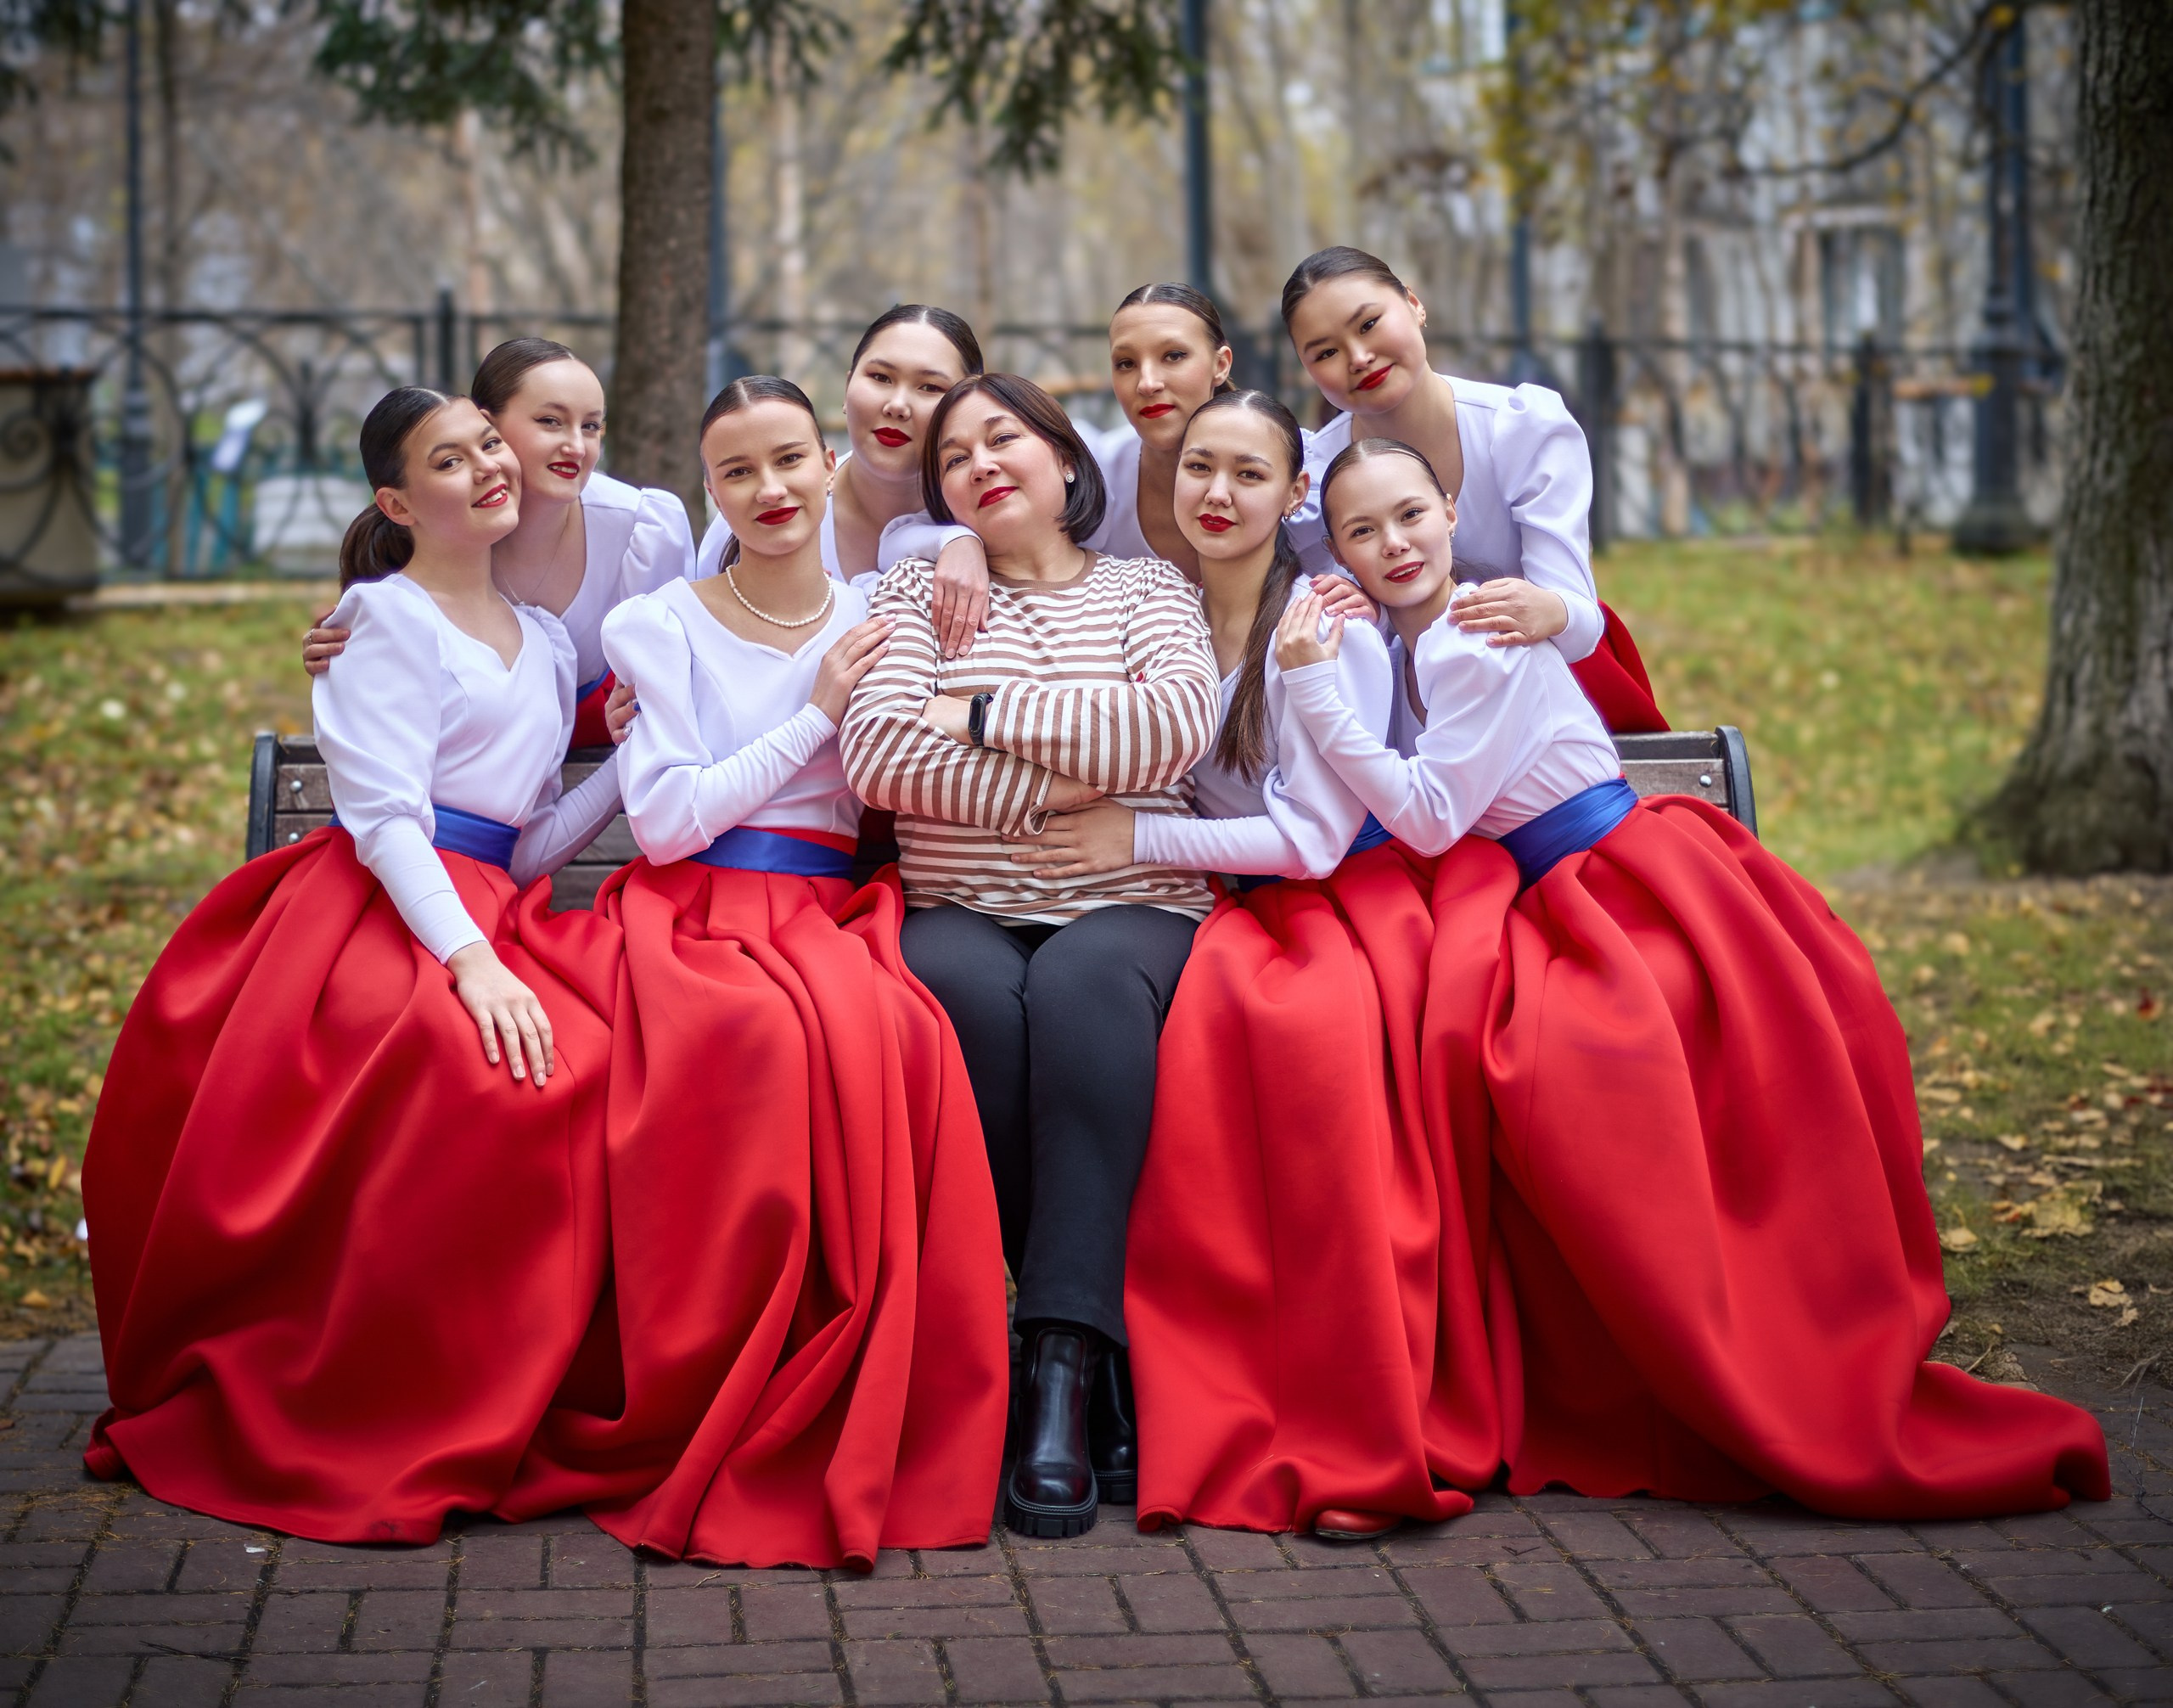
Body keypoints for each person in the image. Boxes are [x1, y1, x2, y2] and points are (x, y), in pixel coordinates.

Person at [1273, 435, 2113, 1518]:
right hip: (1584, 883)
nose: (1392, 544)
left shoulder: (1471, 639)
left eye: (1409, 516)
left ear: (1450, 507)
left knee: (1555, 1064)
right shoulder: (1429, 631)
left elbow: (1429, 816)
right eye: (1359, 530)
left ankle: (1712, 1344)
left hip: (1618, 887)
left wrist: (1313, 694)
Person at [82, 389, 627, 1542]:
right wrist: (474, 962)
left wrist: (633, 763)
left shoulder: (541, 642)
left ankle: (500, 1388)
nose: (488, 466)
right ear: (398, 500)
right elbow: (384, 820)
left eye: (491, 444)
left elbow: (524, 835)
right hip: (370, 912)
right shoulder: (383, 618)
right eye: (451, 457)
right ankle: (385, 1398)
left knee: (582, 1070)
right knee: (474, 1065)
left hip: (486, 902)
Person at [534, 377, 1008, 1570]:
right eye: (739, 472)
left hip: (832, 910)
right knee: (760, 1038)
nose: (773, 489)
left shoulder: (883, 611)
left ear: (831, 463)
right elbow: (668, 824)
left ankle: (887, 1386)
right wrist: (815, 713)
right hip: (694, 913)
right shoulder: (664, 626)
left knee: (894, 1035)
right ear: (712, 493)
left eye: (791, 459)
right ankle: (722, 1375)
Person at [1014, 392, 1503, 1542]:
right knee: (1092, 1002)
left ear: (1295, 498)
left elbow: (1312, 840)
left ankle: (1234, 1385)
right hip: (1218, 903)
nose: (1216, 495)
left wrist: (1135, 838)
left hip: (1327, 906)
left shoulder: (1320, 629)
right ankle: (1105, 1366)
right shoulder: (1161, 607)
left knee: (1267, 1039)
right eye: (1197, 471)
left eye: (1247, 475)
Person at [838, 373, 1220, 1539]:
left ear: (1063, 460)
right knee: (970, 995)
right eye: (955, 456)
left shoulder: (1150, 587)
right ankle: (1080, 1356)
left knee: (1083, 988)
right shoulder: (914, 589)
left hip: (1132, 907)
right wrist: (1068, 779)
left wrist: (980, 715)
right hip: (962, 907)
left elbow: (1174, 725)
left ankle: (1056, 1370)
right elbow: (880, 756)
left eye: (1003, 438)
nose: (979, 464)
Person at [1280, 246, 1670, 734]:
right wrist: (1369, 614)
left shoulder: (1520, 429)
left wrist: (1546, 609)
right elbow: (1335, 634)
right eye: (1326, 353)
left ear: (1414, 304)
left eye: (1368, 324)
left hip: (1540, 703)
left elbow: (1579, 621)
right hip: (1395, 719)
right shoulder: (1314, 477)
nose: (1359, 358)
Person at [302, 339, 697, 747]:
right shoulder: (437, 528)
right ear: (486, 425)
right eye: (550, 421)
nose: (576, 446)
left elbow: (680, 683)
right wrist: (337, 654)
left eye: (591, 426)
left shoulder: (644, 529)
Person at [693, 305, 995, 649]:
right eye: (880, 378)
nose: (897, 405)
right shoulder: (757, 515)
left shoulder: (990, 511)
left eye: (929, 387)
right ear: (848, 385)